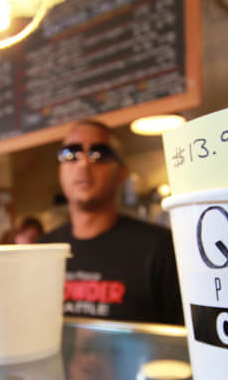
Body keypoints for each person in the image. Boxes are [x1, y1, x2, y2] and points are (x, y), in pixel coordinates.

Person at [41, 120, 183, 325]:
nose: (83, 163)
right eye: (71, 153)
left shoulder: (162, 249)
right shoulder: (42, 251)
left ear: (122, 174)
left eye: (99, 154)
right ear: (60, 171)